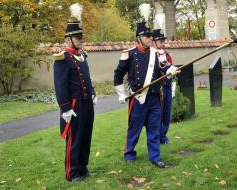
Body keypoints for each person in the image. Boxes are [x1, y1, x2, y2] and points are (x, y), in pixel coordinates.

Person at [114, 22, 179, 168]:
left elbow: (164, 67)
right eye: (147, 36)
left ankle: (155, 157)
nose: (151, 38)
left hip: (154, 98)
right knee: (134, 128)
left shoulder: (156, 53)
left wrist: (170, 70)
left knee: (154, 128)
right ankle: (129, 153)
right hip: (138, 98)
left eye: (151, 36)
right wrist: (121, 93)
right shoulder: (129, 53)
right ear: (139, 38)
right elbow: (118, 74)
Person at [53, 12, 98, 182]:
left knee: (86, 136)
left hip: (87, 102)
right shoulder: (62, 58)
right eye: (77, 37)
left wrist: (92, 93)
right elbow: (60, 85)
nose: (81, 40)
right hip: (74, 105)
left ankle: (83, 168)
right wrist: (65, 108)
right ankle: (72, 173)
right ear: (68, 39)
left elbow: (87, 77)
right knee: (75, 139)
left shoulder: (82, 55)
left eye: (81, 37)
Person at [152, 29, 175, 144]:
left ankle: (163, 136)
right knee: (158, 115)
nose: (163, 43)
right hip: (158, 89)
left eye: (163, 41)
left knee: (166, 113)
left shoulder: (167, 55)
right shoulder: (152, 56)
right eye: (160, 41)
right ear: (154, 42)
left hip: (168, 87)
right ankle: (157, 137)